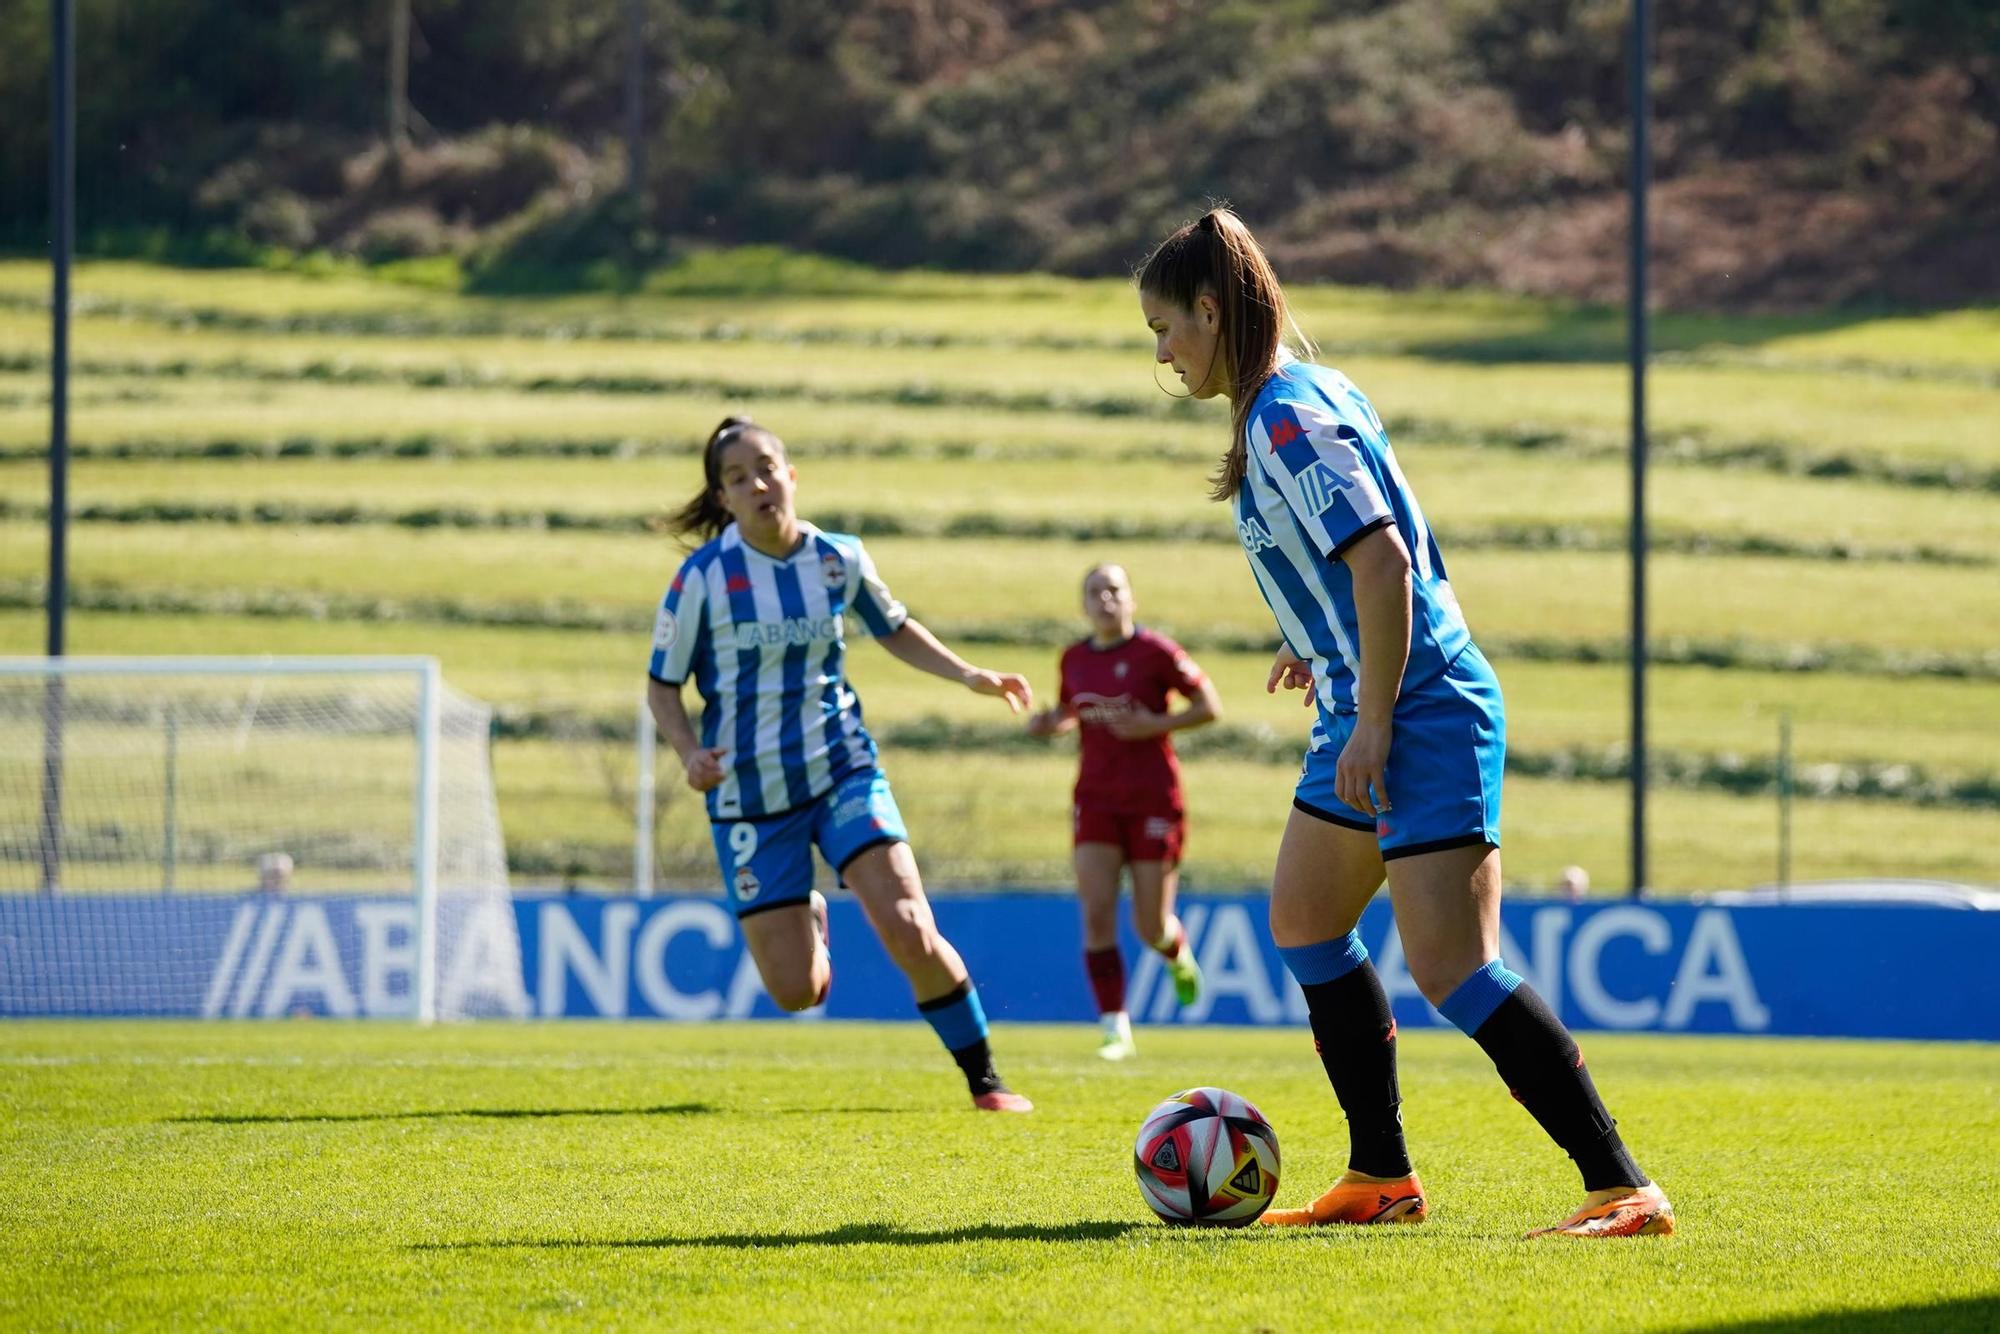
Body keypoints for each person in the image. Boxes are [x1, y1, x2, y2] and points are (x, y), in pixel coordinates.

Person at [1135, 208, 1672, 1237]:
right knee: (1302, 918)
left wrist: (1373, 711)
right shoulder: (1302, 394)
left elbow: (1382, 561)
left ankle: (1621, 1185)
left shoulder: (1280, 414)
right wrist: (1322, 641)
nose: (1161, 353)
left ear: (1209, 311)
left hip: (1415, 708)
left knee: (1453, 967)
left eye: (1164, 328)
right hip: (1367, 697)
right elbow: (1365, 564)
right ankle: (1379, 1176)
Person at [647, 416, 1034, 1113]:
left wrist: (970, 674)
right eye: (738, 478)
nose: (757, 483)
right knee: (795, 992)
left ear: (791, 475)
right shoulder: (702, 579)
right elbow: (660, 685)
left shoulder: (838, 558)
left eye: (766, 466)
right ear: (724, 499)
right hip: (752, 796)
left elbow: (894, 627)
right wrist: (688, 753)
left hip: (842, 770)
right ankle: (813, 919)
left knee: (910, 925)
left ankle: (986, 1082)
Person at [1024, 563, 1221, 1060]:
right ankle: (1115, 1029)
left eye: (1114, 590)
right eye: (1094, 592)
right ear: (1083, 605)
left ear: (1130, 599)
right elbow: (1073, 712)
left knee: (1150, 925)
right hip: (1095, 799)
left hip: (1153, 799)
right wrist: (1052, 724)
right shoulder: (1072, 659)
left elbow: (1209, 706)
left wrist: (1156, 724)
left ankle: (1176, 952)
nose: (1105, 599)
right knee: (1095, 913)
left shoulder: (1156, 652)